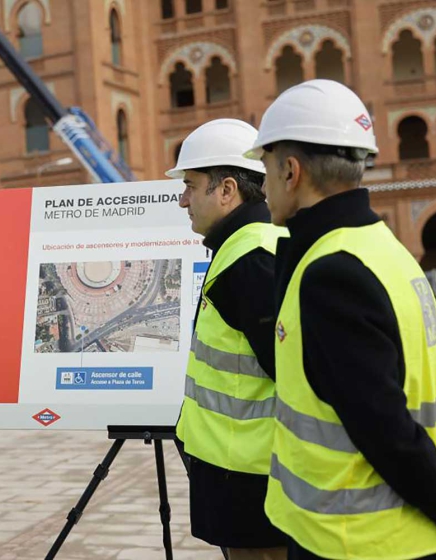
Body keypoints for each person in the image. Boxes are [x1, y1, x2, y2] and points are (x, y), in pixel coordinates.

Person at [245, 79, 436, 559]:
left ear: (291, 171)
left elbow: (386, 431)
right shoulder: (388, 251)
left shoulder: (330, 274)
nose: (264, 185)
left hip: (357, 543)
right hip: (409, 535)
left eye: (266, 169)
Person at [171, 119, 288, 559]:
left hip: (250, 480)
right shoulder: (251, 246)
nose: (182, 199)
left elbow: (295, 375)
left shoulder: (249, 260)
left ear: (227, 190)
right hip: (239, 472)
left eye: (190, 185)